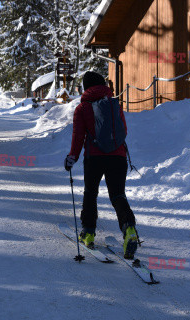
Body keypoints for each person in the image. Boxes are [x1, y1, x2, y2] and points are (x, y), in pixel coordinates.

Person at [64, 71, 139, 259]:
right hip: (118, 157)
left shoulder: (82, 108)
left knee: (91, 194)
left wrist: (72, 157)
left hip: (95, 158)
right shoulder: (114, 105)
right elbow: (123, 131)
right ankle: (129, 229)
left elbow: (78, 136)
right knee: (118, 195)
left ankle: (88, 233)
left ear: (86, 87)